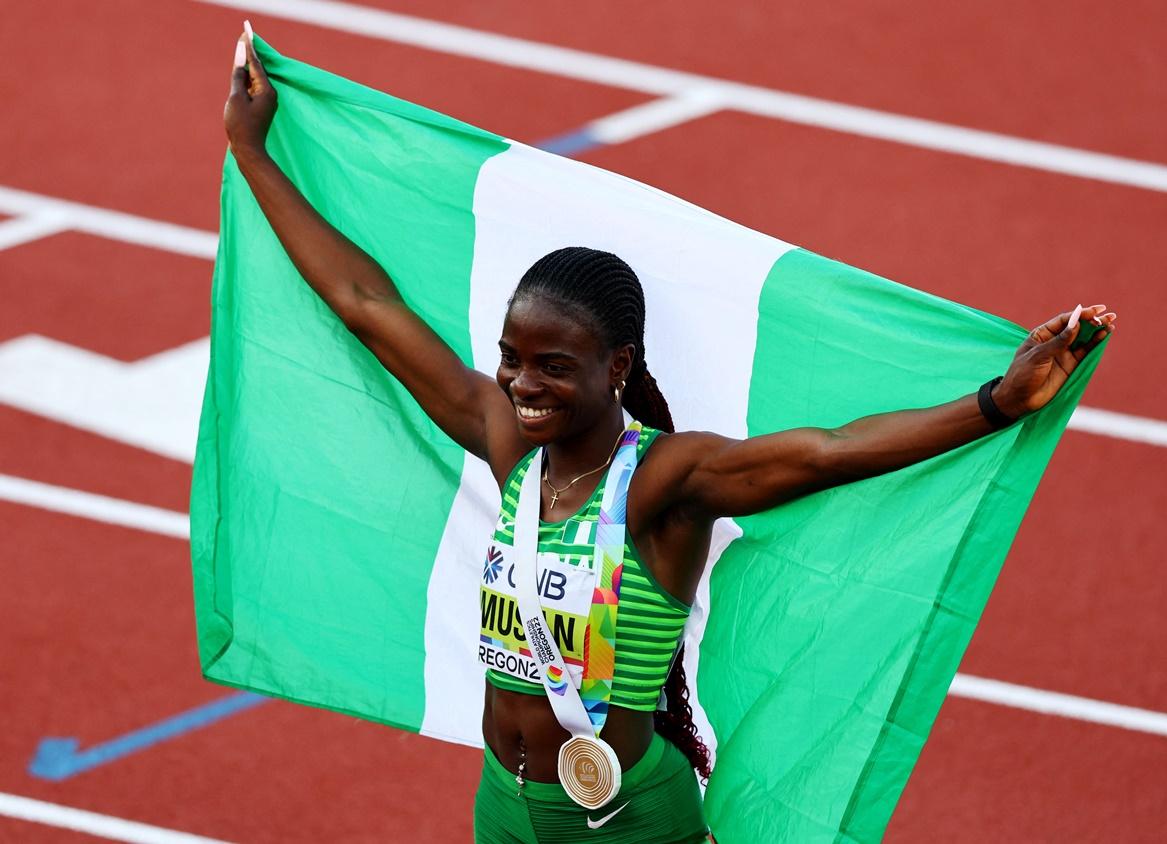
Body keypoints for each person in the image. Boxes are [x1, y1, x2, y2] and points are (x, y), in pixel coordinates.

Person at [223, 25, 1115, 844]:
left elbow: (829, 453)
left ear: (616, 367)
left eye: (553, 366)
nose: (521, 384)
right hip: (504, 803)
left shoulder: (664, 483)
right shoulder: (510, 447)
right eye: (511, 357)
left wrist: (997, 401)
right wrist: (252, 152)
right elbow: (367, 306)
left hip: (626, 816)